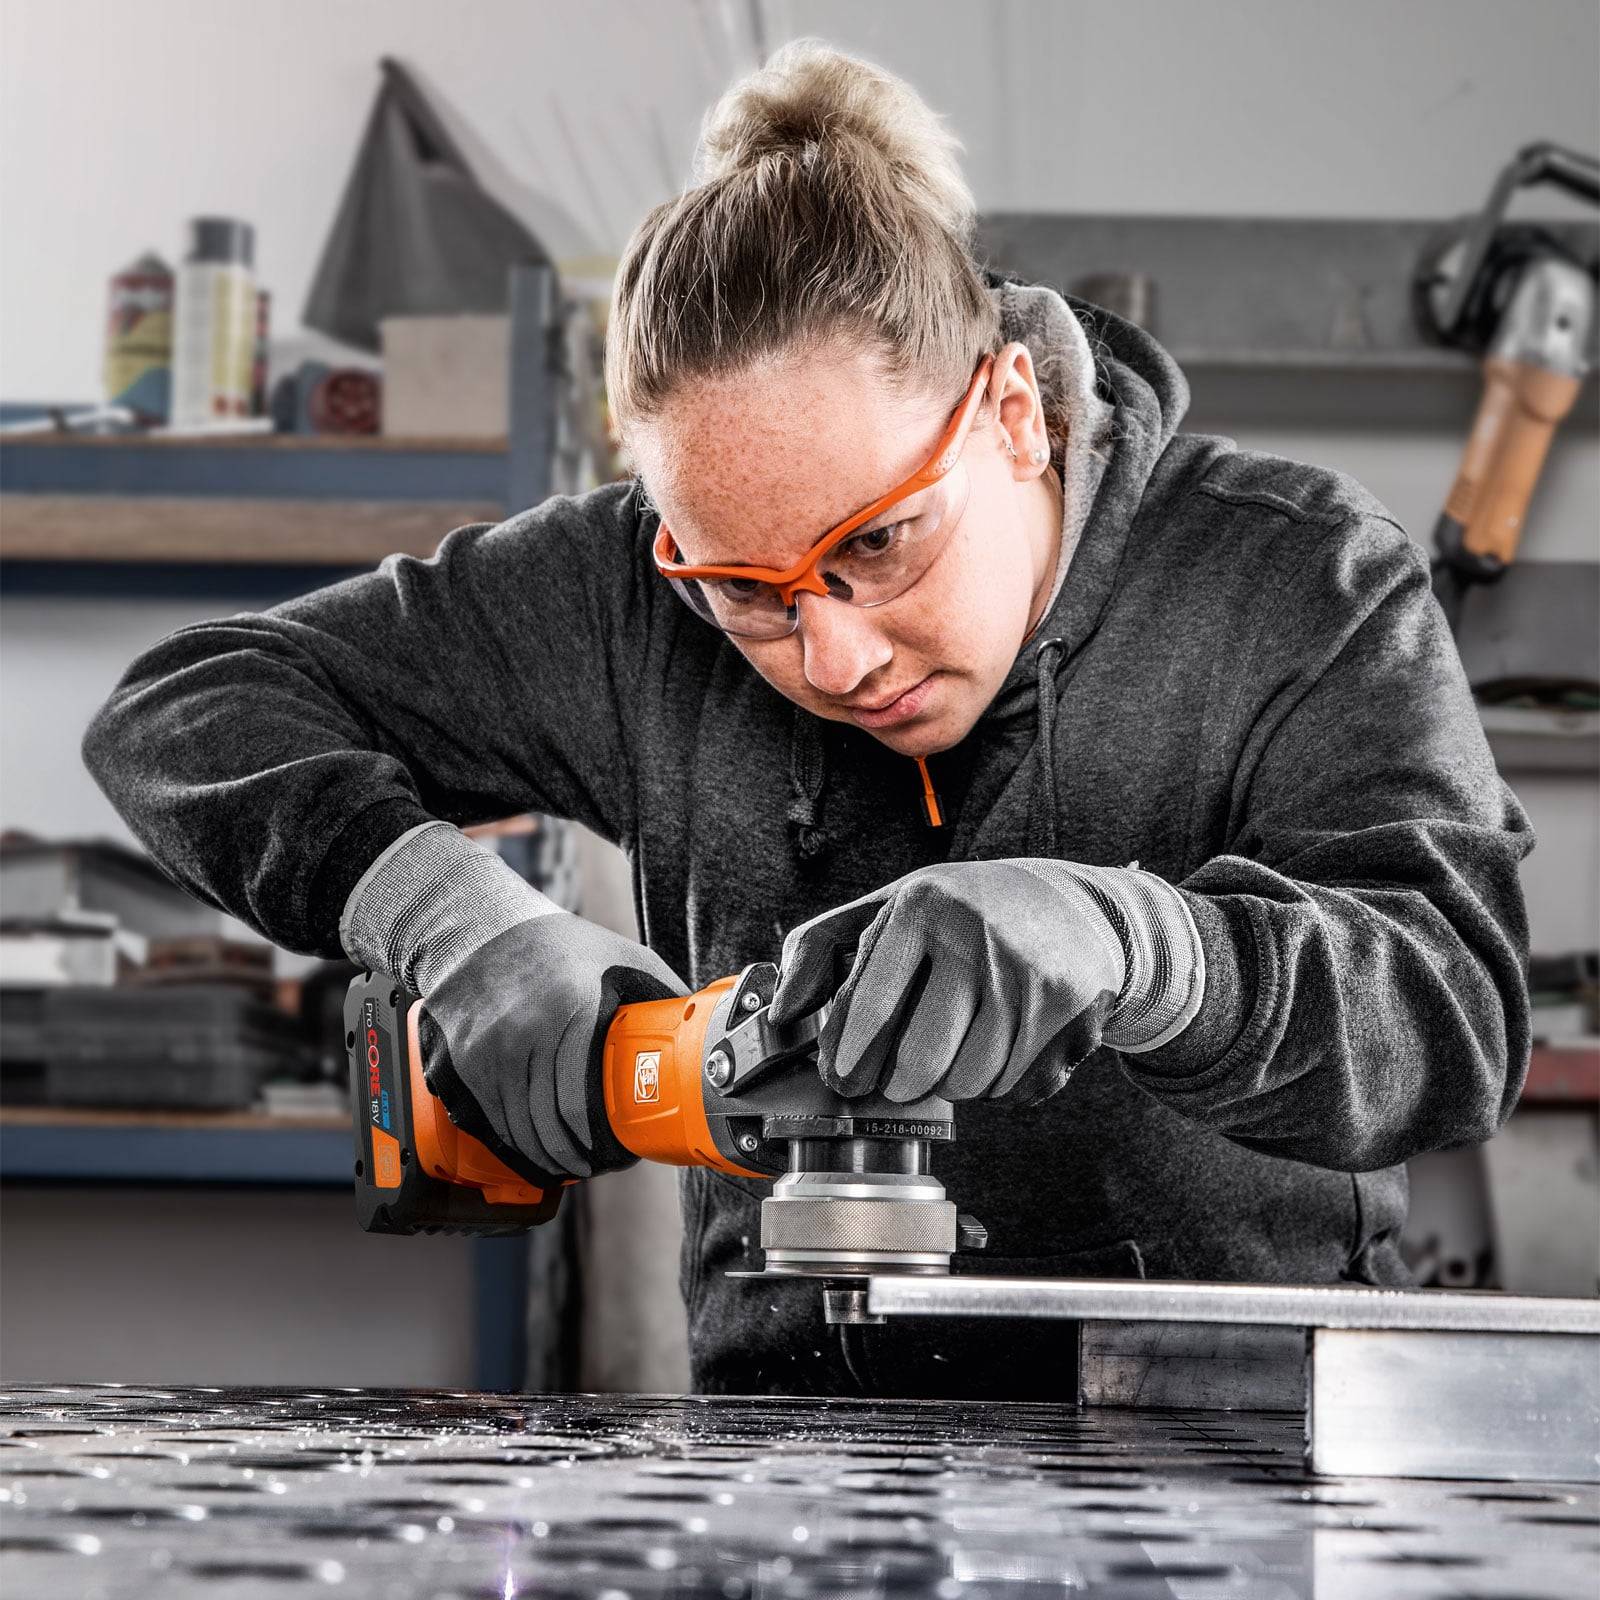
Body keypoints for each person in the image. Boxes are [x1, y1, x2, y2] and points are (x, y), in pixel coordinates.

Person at [83, 41, 1532, 1400]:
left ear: (1012, 410)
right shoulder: (625, 596)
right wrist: (455, 920)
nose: (831, 653)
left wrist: (1137, 945)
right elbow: (183, 710)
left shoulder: (1290, 573)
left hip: (1240, 1455)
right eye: (744, 592)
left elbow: (1451, 1015)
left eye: (880, 545)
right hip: (792, 1456)